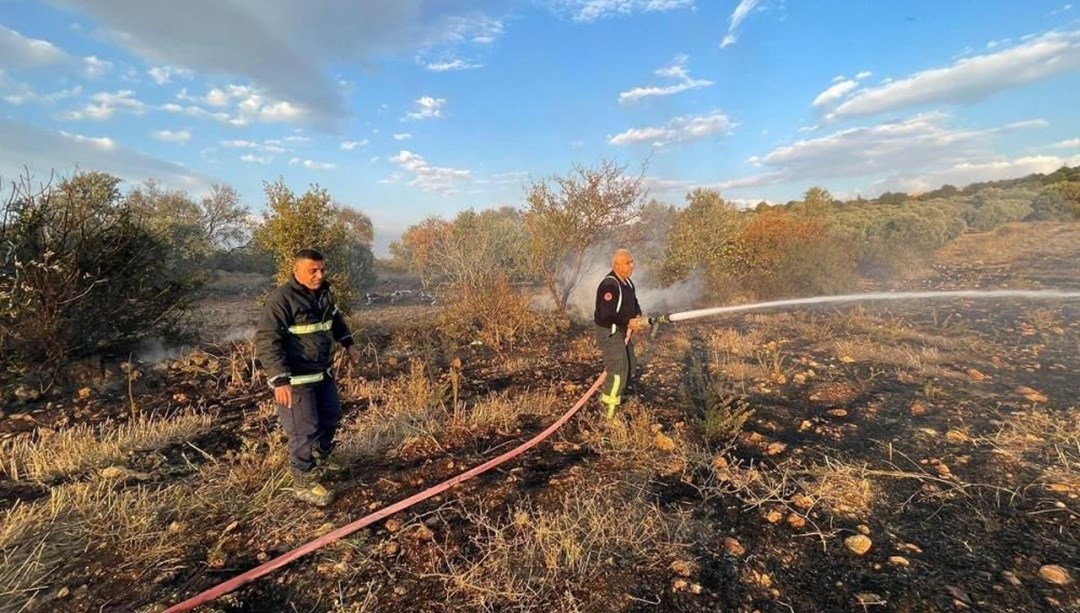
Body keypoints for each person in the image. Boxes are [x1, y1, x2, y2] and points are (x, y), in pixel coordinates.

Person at [256, 248, 359, 506]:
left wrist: (347, 342)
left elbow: (334, 320)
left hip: (321, 373)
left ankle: (324, 455)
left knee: (331, 415)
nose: (319, 275)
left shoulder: (323, 294)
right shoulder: (282, 299)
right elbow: (268, 340)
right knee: (303, 430)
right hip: (296, 380)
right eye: (312, 270)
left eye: (321, 269)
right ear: (296, 271)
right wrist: (280, 380)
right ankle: (303, 481)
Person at [594, 248, 645, 418]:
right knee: (618, 370)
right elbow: (606, 314)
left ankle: (617, 397)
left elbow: (633, 302)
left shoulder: (628, 283)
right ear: (616, 265)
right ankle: (609, 414)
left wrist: (637, 314)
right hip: (610, 333)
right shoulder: (610, 285)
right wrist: (627, 322)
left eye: (632, 261)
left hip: (622, 332)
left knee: (630, 366)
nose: (632, 265)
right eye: (628, 263)